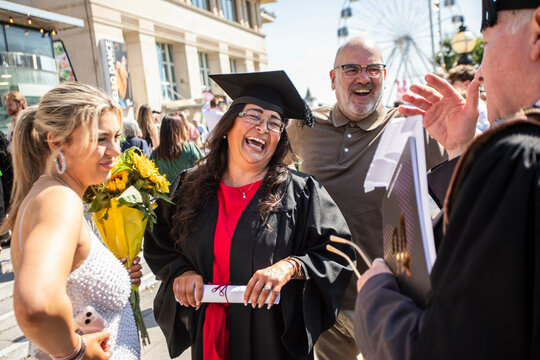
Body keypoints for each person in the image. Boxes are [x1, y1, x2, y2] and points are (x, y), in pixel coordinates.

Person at [355, 1, 540, 359]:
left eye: (486, 45)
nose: (480, 73)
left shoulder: (520, 157)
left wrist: (375, 293)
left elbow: (444, 348)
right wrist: (461, 149)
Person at [144, 70, 354, 360]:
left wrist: (291, 266)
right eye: (253, 115)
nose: (263, 128)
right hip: (211, 335)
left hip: (272, 341)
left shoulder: (300, 192)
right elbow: (160, 240)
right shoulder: (190, 186)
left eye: (274, 123)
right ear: (229, 124)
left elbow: (339, 252)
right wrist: (180, 271)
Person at [286, 37, 447, 360]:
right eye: (352, 69)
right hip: (326, 293)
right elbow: (263, 171)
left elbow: (461, 181)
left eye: (374, 69)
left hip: (391, 296)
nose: (364, 77)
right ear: (333, 79)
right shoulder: (304, 126)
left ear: (384, 76)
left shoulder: (410, 125)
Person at [4, 82, 143, 359]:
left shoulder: (49, 193)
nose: (116, 150)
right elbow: (35, 304)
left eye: (116, 136)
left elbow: (71, 285)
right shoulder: (60, 200)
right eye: (101, 139)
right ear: (56, 142)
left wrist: (116, 274)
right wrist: (76, 352)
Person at [150, 113, 203, 184]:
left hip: (165, 193)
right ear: (180, 129)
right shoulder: (190, 148)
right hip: (188, 191)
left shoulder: (155, 154)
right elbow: (203, 166)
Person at [446, 64, 490, 132]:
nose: (450, 85)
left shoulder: (476, 105)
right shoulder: (475, 103)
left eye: (452, 82)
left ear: (466, 83)